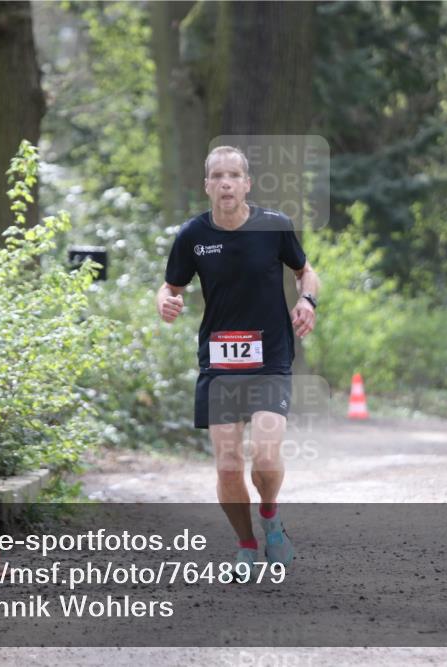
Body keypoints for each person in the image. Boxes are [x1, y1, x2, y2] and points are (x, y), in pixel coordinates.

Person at [156, 145, 319, 580]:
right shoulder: (193, 235)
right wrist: (167, 302)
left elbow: (306, 271)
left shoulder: (274, 227)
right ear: (207, 185)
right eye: (217, 176)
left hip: (271, 358)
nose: (225, 183)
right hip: (220, 362)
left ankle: (270, 517)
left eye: (234, 175)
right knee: (228, 465)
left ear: (247, 183)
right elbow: (171, 287)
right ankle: (246, 546)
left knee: (265, 458)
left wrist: (307, 299)